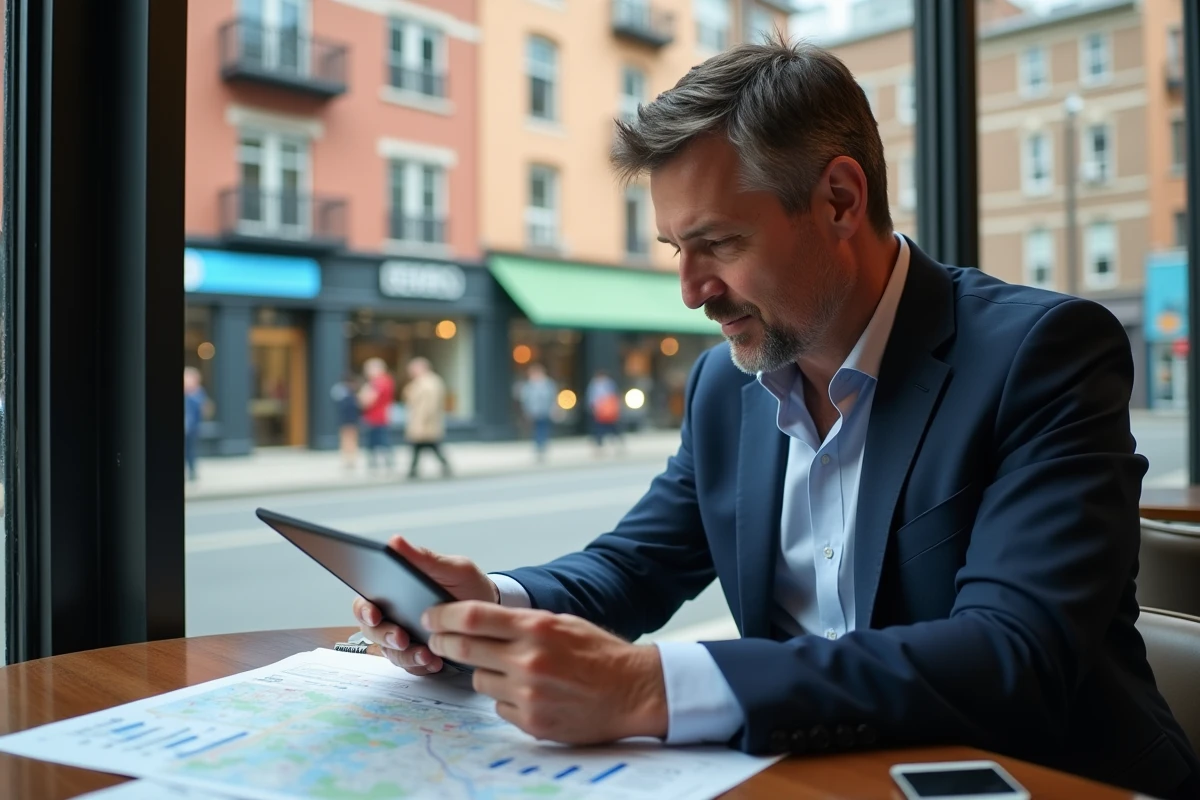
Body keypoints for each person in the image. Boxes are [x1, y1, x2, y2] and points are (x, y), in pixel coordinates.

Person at [351, 37, 1199, 800]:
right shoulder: (728, 386)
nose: (691, 291)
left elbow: (1013, 657)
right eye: (675, 250)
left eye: (717, 244)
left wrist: (651, 687)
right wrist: (492, 602)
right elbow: (634, 567)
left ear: (838, 199)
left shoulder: (1041, 354)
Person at [402, 357, 451, 479]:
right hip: (420, 421)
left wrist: (425, 420)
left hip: (425, 422)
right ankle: (414, 469)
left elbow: (431, 405)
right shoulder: (419, 382)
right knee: (422, 447)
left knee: (428, 445)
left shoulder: (430, 382)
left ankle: (414, 470)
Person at [358, 357, 395, 473]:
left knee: (378, 443)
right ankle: (385, 464)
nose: (366, 372)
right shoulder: (387, 380)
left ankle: (381, 465)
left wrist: (361, 395)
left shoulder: (379, 382)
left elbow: (367, 400)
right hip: (380, 417)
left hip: (376, 418)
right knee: (379, 442)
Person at [518, 364, 557, 461]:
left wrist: (554, 409)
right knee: (536, 430)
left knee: (544, 428)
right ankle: (538, 446)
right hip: (534, 412)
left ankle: (542, 446)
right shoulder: (529, 385)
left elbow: (552, 398)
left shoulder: (548, 384)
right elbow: (525, 399)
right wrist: (527, 410)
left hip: (545, 411)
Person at [586, 369, 624, 454]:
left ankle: (617, 446)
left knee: (613, 429)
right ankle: (600, 447)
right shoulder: (595, 385)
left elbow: (614, 397)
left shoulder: (608, 384)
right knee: (600, 430)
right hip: (600, 412)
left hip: (608, 412)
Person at [330, 373, 361, 470]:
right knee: (348, 441)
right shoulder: (348, 395)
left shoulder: (344, 394)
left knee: (348, 441)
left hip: (348, 420)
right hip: (349, 420)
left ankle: (350, 460)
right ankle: (349, 460)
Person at [183, 367, 207, 482]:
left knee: (191, 450)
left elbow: (202, 409)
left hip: (193, 428)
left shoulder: (198, 393)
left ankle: (192, 471)